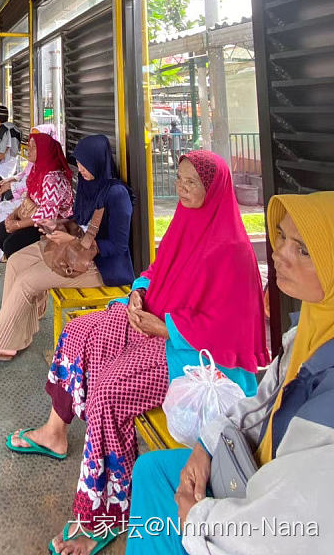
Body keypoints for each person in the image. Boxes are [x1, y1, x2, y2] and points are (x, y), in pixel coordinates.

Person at [7, 150, 268, 555]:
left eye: (191, 183)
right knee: (78, 333)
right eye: (178, 179)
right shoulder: (186, 223)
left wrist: (166, 328)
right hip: (149, 317)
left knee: (108, 390)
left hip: (186, 352)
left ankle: (104, 514)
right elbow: (157, 270)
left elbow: (232, 331)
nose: (181, 189)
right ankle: (54, 432)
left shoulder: (233, 248)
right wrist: (138, 293)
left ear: (213, 188)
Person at [126, 191, 334, 555]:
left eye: (303, 250)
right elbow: (264, 400)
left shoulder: (233, 252)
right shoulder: (310, 330)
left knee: (111, 392)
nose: (279, 254)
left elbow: (294, 524)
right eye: (281, 237)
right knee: (151, 470)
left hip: (275, 519)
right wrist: (207, 446)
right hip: (249, 462)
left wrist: (199, 517)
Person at [0, 135, 133, 365]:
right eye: (78, 163)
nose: (81, 169)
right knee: (17, 261)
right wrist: (56, 225)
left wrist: (72, 239)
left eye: (85, 164)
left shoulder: (117, 194)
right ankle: (14, 337)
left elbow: (118, 245)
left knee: (27, 282)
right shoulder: (88, 185)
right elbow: (78, 220)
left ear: (99, 161)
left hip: (97, 266)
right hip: (70, 249)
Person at [0, 124, 60, 278]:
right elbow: (25, 174)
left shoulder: (50, 169)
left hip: (30, 203)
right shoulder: (35, 161)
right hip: (25, 201)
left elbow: (33, 188)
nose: (29, 149)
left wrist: (12, 186)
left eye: (34, 145)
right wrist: (11, 180)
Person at [0, 131, 73, 258]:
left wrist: (17, 225)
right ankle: (17, 267)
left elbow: (46, 217)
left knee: (11, 244)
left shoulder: (54, 178)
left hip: (53, 225)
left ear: (44, 151)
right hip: (35, 217)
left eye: (33, 147)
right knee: (0, 230)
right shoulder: (37, 170)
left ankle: (23, 271)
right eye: (29, 146)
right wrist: (12, 216)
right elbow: (29, 198)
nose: (28, 150)